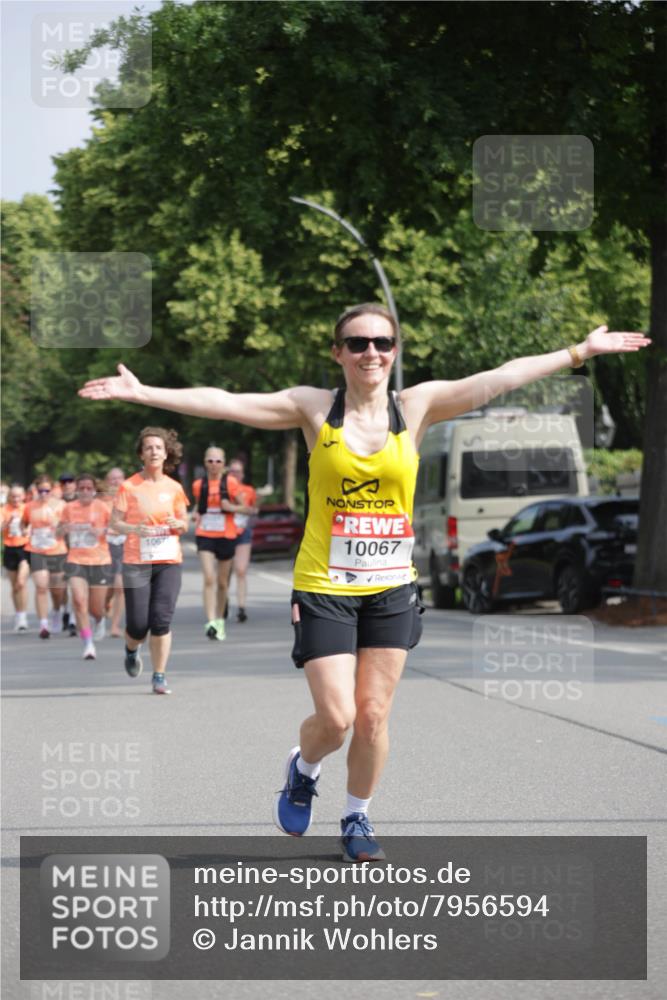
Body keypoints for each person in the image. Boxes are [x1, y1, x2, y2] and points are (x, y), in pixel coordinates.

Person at [79, 306, 651, 860]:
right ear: (339, 353)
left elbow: (498, 379)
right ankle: (302, 771)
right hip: (326, 584)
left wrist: (579, 351)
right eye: (358, 343)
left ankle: (357, 815)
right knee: (338, 719)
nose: (370, 352)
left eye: (382, 342)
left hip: (390, 585)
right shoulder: (313, 409)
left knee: (374, 715)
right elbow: (229, 404)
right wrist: (145, 393)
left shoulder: (417, 406)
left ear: (394, 351)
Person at [110, 427, 189, 695]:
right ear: (141, 454)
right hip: (137, 561)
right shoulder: (129, 486)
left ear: (166, 453)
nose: (154, 451)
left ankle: (159, 675)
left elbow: (184, 524)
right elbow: (115, 523)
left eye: (158, 447)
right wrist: (134, 529)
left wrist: (178, 523)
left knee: (161, 620)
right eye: (148, 448)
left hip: (168, 560)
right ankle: (132, 650)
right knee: (138, 625)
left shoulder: (174, 488)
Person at [191, 447, 257, 641]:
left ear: (224, 464)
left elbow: (247, 509)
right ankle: (210, 620)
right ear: (205, 462)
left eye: (218, 461)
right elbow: (200, 505)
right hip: (205, 534)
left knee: (222, 582)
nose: (214, 464)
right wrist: (196, 513)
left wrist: (231, 507)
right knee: (209, 578)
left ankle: (219, 620)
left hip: (226, 535)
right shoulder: (198, 484)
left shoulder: (231, 483)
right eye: (210, 461)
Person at [57, 473, 113, 660]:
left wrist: (102, 530)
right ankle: (88, 644)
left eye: (89, 488)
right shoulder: (69, 508)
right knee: (79, 601)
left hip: (100, 561)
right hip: (76, 561)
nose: (85, 491)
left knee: (96, 608)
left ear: (94, 490)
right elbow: (57, 532)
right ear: (77, 490)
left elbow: (116, 529)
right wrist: (63, 529)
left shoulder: (103, 507)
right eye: (82, 488)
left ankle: (99, 619)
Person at [22, 474, 68, 639]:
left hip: (57, 550)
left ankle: (56, 611)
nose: (43, 494)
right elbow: (24, 524)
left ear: (52, 490)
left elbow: (67, 527)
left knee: (57, 590)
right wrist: (24, 531)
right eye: (40, 490)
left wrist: (59, 527)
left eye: (46, 491)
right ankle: (43, 624)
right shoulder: (29, 506)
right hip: (37, 550)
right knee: (41, 587)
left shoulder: (61, 506)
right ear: (36, 490)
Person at [227, 457, 259, 623]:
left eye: (238, 471)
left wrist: (251, 511)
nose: (235, 474)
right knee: (225, 572)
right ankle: (223, 603)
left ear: (243, 474)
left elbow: (253, 509)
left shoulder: (248, 490)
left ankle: (241, 607)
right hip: (225, 532)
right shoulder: (222, 488)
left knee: (241, 570)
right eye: (232, 471)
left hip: (243, 532)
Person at [101, 467, 127, 637]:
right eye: (112, 479)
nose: (116, 482)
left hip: (124, 545)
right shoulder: (101, 501)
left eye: (119, 478)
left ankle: (115, 626)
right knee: (108, 587)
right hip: (105, 546)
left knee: (120, 587)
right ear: (106, 482)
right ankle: (105, 605)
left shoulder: (131, 499)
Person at [2, 484, 31, 631]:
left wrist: (25, 528)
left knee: (21, 582)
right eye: (13, 496)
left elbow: (31, 528)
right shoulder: (4, 509)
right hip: (9, 548)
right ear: (9, 497)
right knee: (14, 586)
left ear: (23, 496)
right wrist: (8, 522)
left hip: (24, 548)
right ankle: (18, 613)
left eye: (18, 496)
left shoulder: (27, 509)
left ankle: (23, 615)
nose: (16, 499)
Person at [58, 471, 78, 636]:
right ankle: (64, 611)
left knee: (75, 585)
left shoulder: (82, 502)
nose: (67, 484)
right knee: (61, 587)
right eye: (63, 482)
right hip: (59, 549)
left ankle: (72, 618)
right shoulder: (56, 503)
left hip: (79, 549)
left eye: (70, 481)